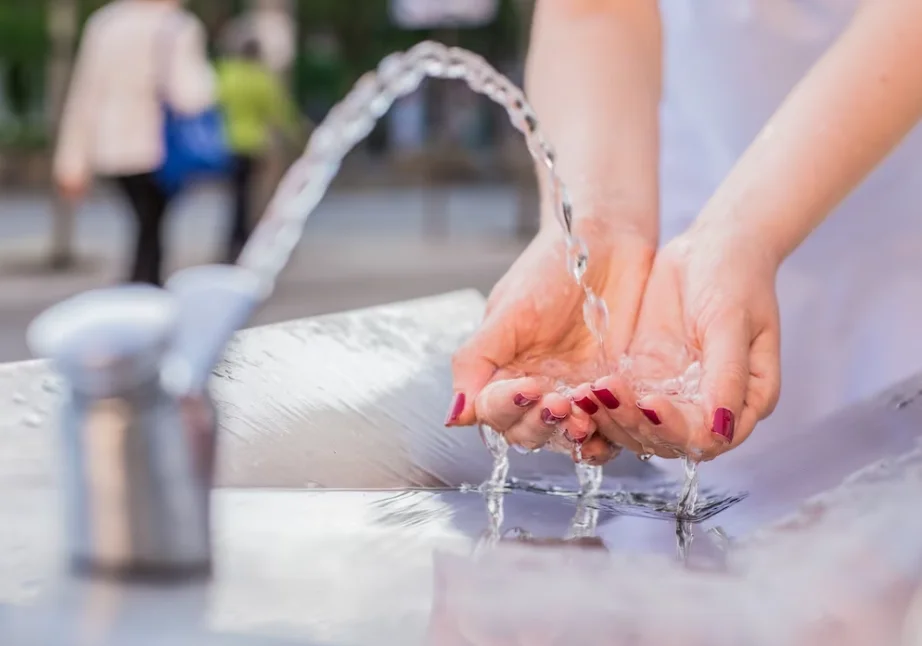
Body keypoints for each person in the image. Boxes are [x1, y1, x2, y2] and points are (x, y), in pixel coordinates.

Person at [446, 0, 922, 469]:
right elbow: (594, 9)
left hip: (893, 207)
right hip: (680, 238)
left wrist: (743, 232)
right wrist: (593, 226)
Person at [54, 0, 215, 286]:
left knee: (145, 223)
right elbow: (192, 96)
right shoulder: (179, 26)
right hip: (159, 147)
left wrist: (72, 162)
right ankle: (145, 286)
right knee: (152, 225)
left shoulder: (104, 24)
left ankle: (140, 284)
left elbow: (85, 94)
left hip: (112, 146)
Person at [216, 38, 301, 263]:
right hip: (255, 144)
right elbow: (279, 112)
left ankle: (234, 242)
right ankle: (245, 239)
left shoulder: (227, 75)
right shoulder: (262, 78)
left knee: (235, 196)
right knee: (250, 196)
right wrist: (296, 134)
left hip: (226, 143)